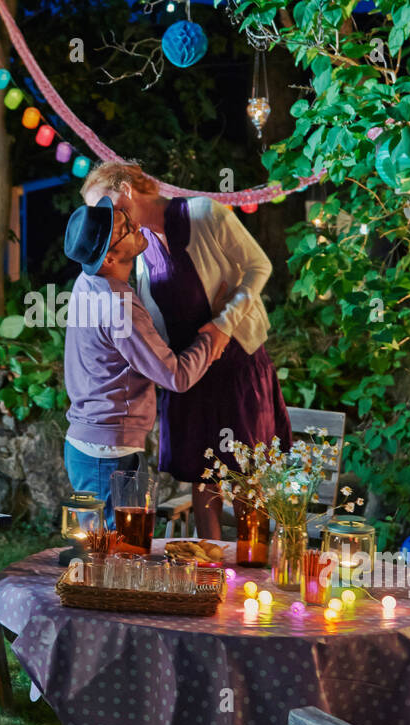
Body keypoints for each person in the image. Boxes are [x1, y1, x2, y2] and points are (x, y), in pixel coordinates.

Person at [81, 162, 290, 539]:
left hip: (237, 366)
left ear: (126, 188)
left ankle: (253, 575)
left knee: (246, 479)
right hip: (190, 374)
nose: (107, 223)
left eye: (107, 208)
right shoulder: (138, 248)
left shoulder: (204, 214)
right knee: (202, 478)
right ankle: (209, 578)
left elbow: (259, 266)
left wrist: (225, 321)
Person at [63, 196, 229, 525]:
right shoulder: (118, 306)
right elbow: (176, 376)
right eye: (124, 229)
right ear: (109, 258)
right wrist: (215, 335)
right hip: (110, 457)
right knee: (117, 562)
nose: (135, 224)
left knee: (110, 560)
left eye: (125, 218)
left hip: (91, 448)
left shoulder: (88, 284)